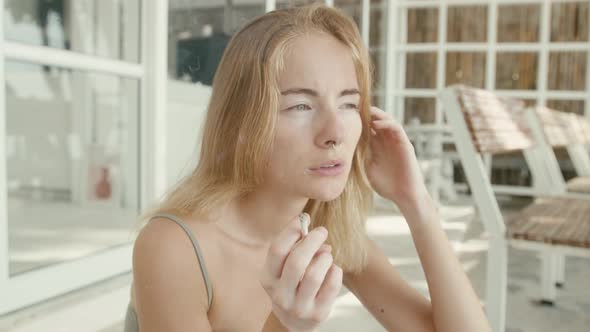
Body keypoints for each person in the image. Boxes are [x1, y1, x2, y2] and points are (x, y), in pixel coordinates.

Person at [126, 4, 491, 332]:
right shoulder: (174, 248)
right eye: (301, 106)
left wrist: (416, 203)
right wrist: (286, 327)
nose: (334, 133)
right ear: (240, 124)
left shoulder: (327, 232)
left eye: (349, 104)